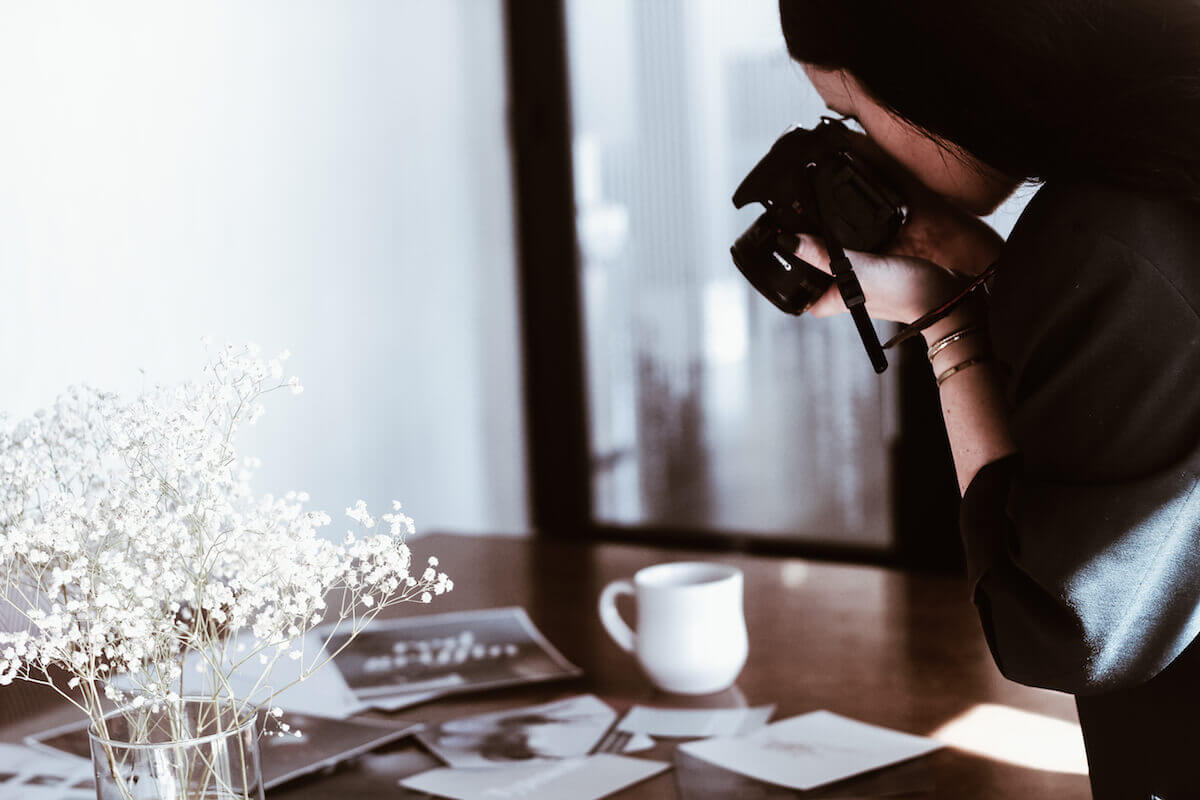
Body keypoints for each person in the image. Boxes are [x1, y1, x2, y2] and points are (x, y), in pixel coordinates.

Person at [776, 1, 1200, 797]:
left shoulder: (1100, 234)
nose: (863, 151)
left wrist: (946, 315)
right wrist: (972, 259)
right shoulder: (1165, 179)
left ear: (929, 72)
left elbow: (1059, 626)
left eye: (851, 114)